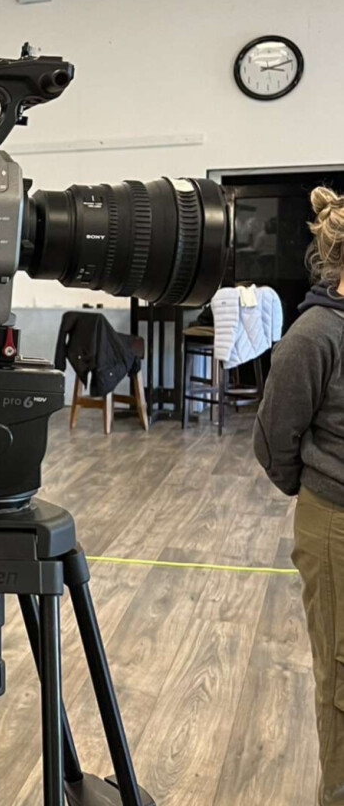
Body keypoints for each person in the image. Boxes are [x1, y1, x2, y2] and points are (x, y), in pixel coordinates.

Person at [255, 185, 344, 805]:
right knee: (341, 679)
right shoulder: (314, 334)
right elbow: (273, 439)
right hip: (335, 522)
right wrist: (317, 483)